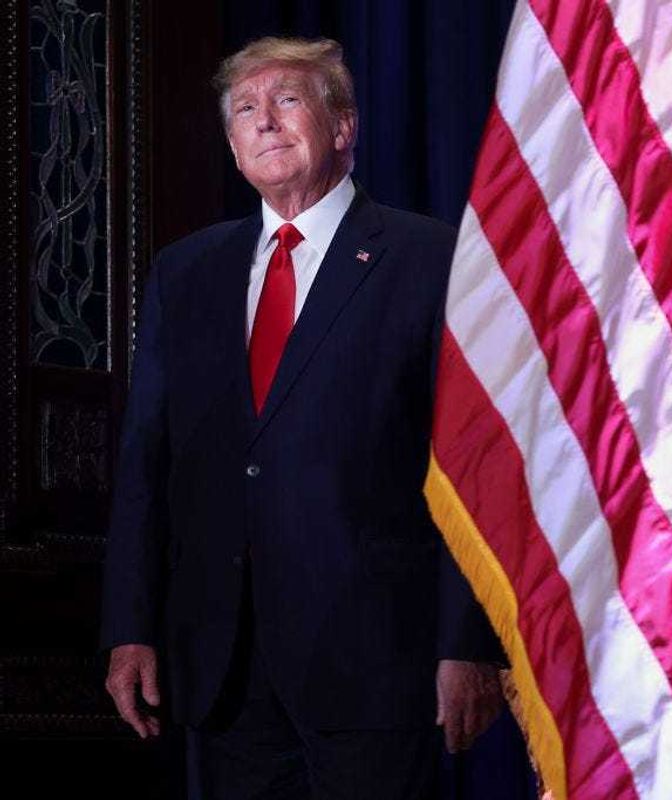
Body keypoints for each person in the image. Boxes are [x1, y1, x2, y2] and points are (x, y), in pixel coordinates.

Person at [100, 36, 504, 797]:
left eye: (287, 100)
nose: (265, 121)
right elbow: (146, 463)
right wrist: (131, 625)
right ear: (229, 141)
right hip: (222, 670)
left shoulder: (432, 260)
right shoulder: (185, 274)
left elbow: (474, 461)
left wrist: (467, 642)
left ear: (343, 126)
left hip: (377, 667)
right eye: (245, 110)